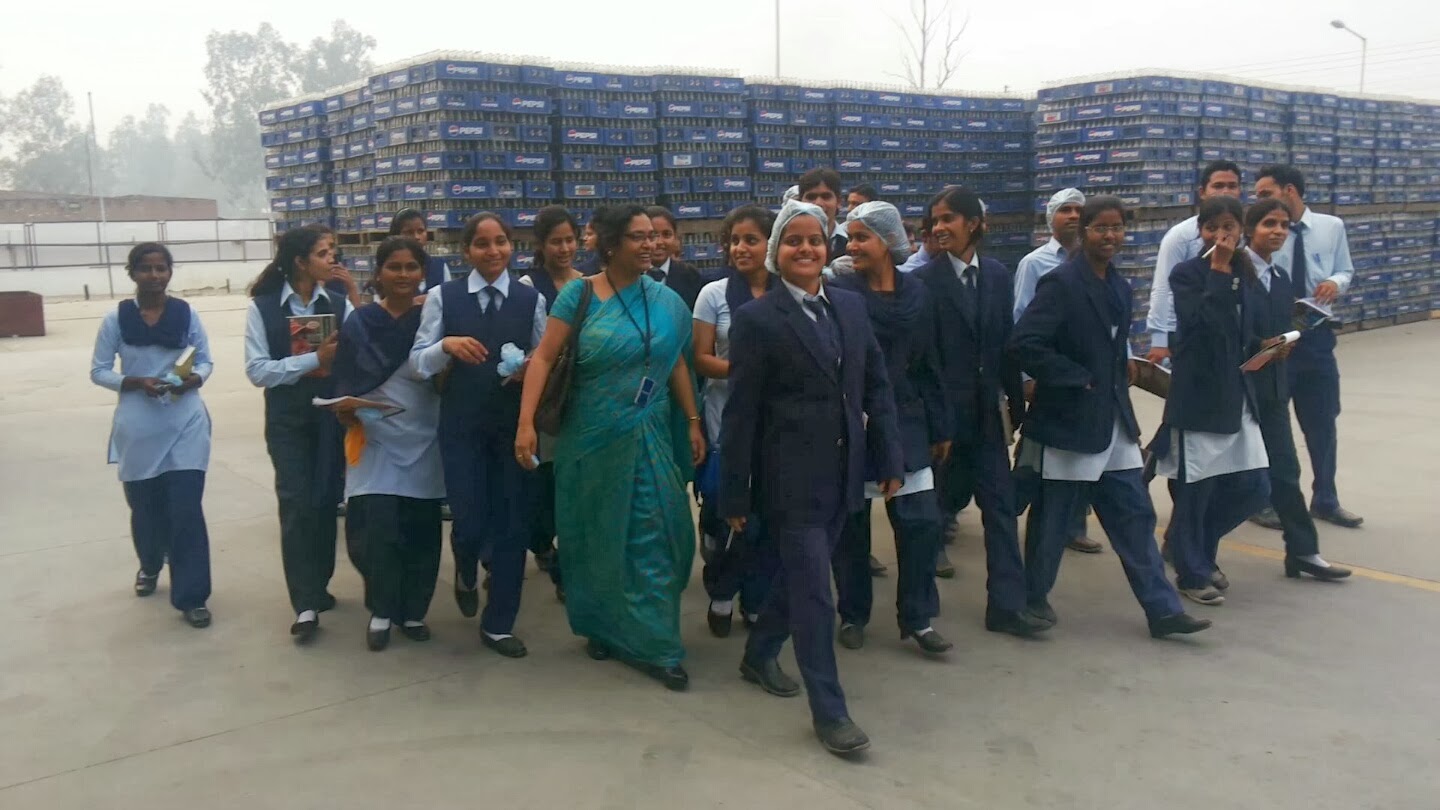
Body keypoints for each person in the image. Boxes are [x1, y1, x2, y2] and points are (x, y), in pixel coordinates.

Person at [720, 200, 903, 756]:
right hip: (789, 481)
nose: (806, 249)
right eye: (794, 240)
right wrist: (735, 491)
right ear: (777, 252)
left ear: (828, 249)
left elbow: (876, 385)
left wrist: (889, 457)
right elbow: (741, 412)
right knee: (817, 594)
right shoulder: (757, 320)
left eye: (815, 240)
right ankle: (831, 712)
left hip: (844, 474)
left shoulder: (850, 307)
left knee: (799, 580)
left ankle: (758, 655)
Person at [515, 204, 705, 689]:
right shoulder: (578, 295)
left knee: (663, 537)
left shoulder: (666, 301)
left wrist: (692, 421)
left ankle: (657, 643)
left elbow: (676, 362)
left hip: (651, 435)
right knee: (595, 537)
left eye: (654, 236)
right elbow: (543, 359)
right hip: (591, 440)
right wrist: (526, 424)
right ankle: (604, 627)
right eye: (639, 237)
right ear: (611, 244)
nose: (651, 245)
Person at [1008, 196, 1210, 640]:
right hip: (1069, 424)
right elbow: (1025, 343)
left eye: (1117, 228)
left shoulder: (1119, 286)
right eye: (1101, 228)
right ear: (1083, 232)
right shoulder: (1061, 283)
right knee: (1052, 522)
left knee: (1135, 517)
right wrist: (1075, 378)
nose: (1110, 236)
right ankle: (1031, 600)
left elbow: (1112, 346)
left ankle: (1163, 611)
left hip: (1113, 422)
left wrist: (1124, 371)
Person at [409, 212, 547, 658]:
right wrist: (445, 346)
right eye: (482, 244)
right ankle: (465, 560)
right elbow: (417, 363)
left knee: (512, 524)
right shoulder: (443, 298)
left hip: (513, 429)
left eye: (501, 241)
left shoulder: (529, 299)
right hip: (462, 427)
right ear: (466, 250)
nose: (493, 251)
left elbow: (546, 358)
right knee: (468, 520)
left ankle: (499, 623)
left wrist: (530, 369)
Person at [914, 187, 1043, 638]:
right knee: (931, 512)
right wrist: (934, 421)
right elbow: (923, 360)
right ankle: (918, 611)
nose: (939, 227)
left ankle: (1006, 606)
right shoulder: (924, 283)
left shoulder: (997, 276)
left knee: (1001, 510)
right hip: (943, 423)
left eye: (948, 218)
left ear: (973, 224)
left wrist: (1016, 404)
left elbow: (1005, 344)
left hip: (987, 417)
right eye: (935, 220)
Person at [830, 201, 953, 654]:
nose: (852, 246)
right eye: (850, 238)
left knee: (921, 522)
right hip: (856, 421)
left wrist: (941, 425)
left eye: (862, 238)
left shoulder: (919, 294)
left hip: (908, 420)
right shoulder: (840, 293)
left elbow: (930, 362)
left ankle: (918, 618)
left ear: (888, 242)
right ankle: (853, 613)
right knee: (852, 526)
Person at [1155, 196, 1272, 606]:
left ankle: (1196, 549)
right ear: (1201, 231)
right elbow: (1200, 326)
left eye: (1229, 227)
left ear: (1241, 231)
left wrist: (1265, 346)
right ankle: (1193, 571)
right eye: (1212, 227)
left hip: (1238, 396)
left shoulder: (1245, 271)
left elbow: (1238, 332)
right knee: (1197, 491)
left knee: (1255, 486)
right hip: (1200, 398)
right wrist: (1218, 271)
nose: (1221, 235)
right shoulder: (1188, 274)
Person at [90, 242, 214, 629]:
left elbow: (206, 360)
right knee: (145, 509)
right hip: (138, 428)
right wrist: (134, 381)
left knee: (186, 510)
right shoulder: (116, 319)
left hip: (186, 424)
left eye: (162, 268)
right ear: (132, 273)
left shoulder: (187, 314)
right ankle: (149, 563)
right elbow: (98, 370)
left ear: (170, 272)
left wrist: (195, 379)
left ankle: (192, 596)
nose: (155, 275)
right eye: (146, 268)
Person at [332, 237, 445, 651]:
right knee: (374, 532)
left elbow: (443, 374)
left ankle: (413, 611)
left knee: (421, 530)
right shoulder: (360, 323)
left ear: (423, 273)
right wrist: (346, 409)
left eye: (411, 267)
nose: (403, 275)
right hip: (374, 440)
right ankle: (381, 610)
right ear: (378, 273)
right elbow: (343, 377)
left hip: (424, 437)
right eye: (394, 267)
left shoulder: (433, 320)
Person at [243, 225, 353, 642]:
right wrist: (313, 361)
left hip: (329, 419)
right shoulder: (264, 308)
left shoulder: (340, 304)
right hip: (287, 421)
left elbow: (361, 353)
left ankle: (318, 587)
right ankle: (304, 604)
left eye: (333, 251)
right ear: (300, 262)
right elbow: (257, 371)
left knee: (324, 502)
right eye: (323, 253)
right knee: (296, 504)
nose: (332, 259)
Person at [1240, 200, 1352, 581]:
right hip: (1236, 390)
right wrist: (1258, 344)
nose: (1277, 231)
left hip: (1270, 387)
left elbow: (1279, 324)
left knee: (1286, 470)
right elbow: (1225, 329)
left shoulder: (1280, 277)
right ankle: (1185, 548)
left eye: (1283, 225)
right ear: (1249, 229)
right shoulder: (1233, 273)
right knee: (1218, 478)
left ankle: (1303, 551)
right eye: (1268, 224)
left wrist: (1287, 338)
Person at [1254, 164, 1362, 529]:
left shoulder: (1332, 227)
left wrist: (1335, 282)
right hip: (1278, 339)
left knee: (1322, 421)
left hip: (1316, 337)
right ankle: (1267, 500)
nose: (1259, 201)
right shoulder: (1263, 232)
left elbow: (1346, 269)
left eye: (1265, 193)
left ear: (1289, 191)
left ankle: (1326, 498)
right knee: (1272, 422)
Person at [692, 204, 780, 636]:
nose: (740, 248)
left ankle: (757, 599)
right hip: (726, 423)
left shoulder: (789, 291)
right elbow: (702, 358)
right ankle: (723, 591)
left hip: (779, 427)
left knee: (768, 519)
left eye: (751, 240)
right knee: (732, 515)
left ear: (771, 244)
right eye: (734, 241)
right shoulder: (714, 294)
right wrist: (747, 372)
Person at [1013, 188, 1101, 554]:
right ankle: (1009, 509)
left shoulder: (1096, 262)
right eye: (1065, 210)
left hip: (1088, 377)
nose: (1073, 215)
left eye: (1079, 209)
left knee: (1082, 455)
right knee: (1038, 456)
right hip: (1051, 376)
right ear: (1051, 218)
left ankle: (1074, 525)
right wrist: (1026, 378)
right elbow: (1021, 318)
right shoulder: (1035, 263)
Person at [518, 205, 585, 586]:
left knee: (572, 481)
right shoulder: (530, 287)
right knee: (545, 481)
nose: (564, 249)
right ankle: (543, 542)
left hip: (581, 394)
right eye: (556, 242)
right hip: (547, 399)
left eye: (569, 240)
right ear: (541, 246)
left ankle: (564, 554)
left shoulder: (588, 283)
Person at [1144, 160, 1243, 364]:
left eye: (1232, 186)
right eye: (1218, 186)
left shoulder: (1241, 236)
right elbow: (1162, 287)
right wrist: (1159, 340)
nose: (1226, 191)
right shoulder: (1180, 236)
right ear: (1202, 192)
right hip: (1187, 329)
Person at [645, 205, 707, 311]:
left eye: (667, 234)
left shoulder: (690, 275)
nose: (659, 242)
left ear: (675, 238)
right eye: (653, 235)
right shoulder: (629, 277)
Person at [390, 208, 452, 291]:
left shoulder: (439, 266)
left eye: (420, 231)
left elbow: (448, 295)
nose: (416, 237)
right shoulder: (390, 267)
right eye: (409, 232)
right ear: (396, 235)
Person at [798, 167, 849, 260]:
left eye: (826, 197)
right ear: (800, 202)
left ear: (838, 202)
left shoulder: (851, 244)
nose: (818, 203)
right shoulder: (789, 244)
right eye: (811, 197)